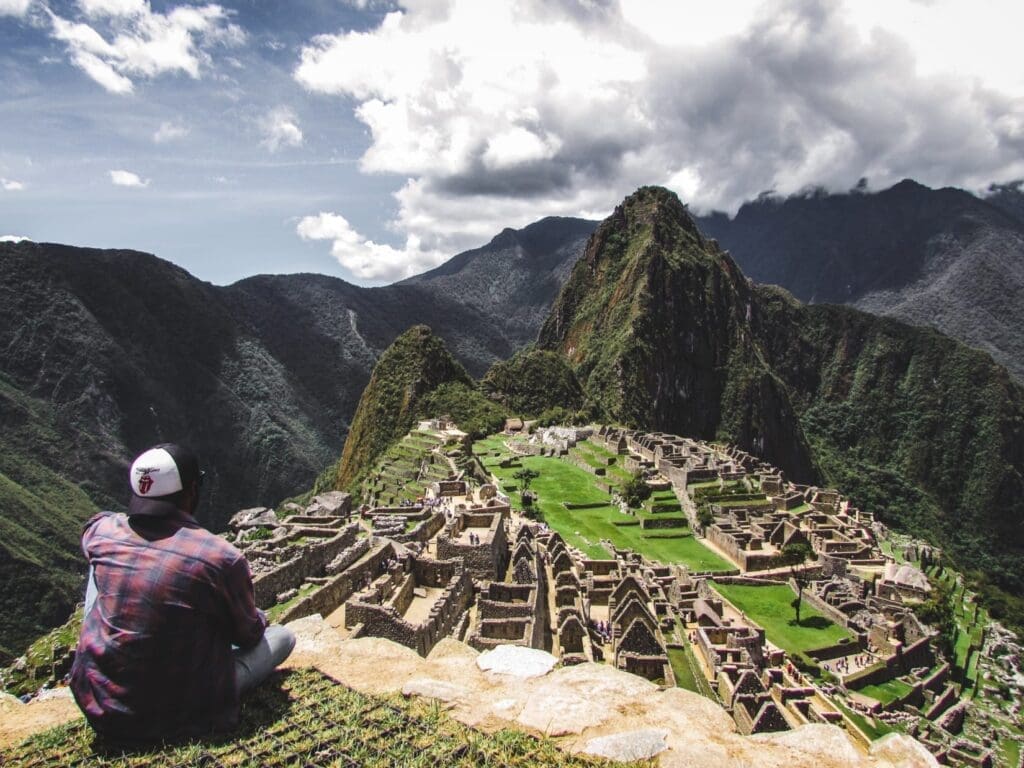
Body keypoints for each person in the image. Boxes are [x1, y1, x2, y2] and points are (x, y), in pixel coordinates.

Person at [70, 443, 295, 742]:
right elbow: (249, 635)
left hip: (101, 702)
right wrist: (259, 617)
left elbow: (94, 531)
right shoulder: (220, 558)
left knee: (97, 564)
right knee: (282, 637)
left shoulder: (101, 531)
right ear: (191, 491)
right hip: (185, 707)